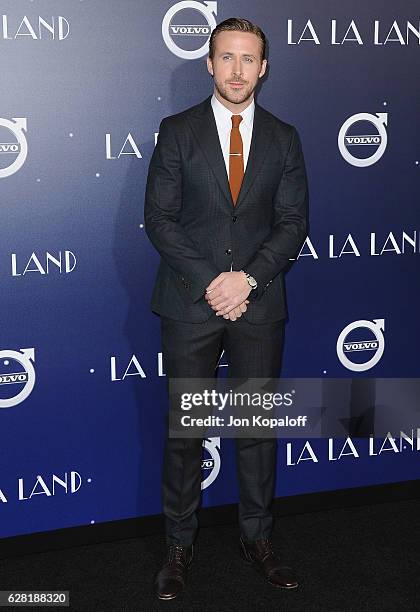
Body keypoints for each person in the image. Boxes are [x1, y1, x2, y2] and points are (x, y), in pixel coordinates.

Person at [144, 17, 308, 601]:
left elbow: (293, 223)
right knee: (186, 433)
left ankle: (257, 538)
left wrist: (249, 280)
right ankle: (178, 546)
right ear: (209, 64)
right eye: (226, 58)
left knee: (257, 429)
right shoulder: (177, 130)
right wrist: (215, 281)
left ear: (263, 68)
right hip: (191, 302)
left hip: (259, 305)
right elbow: (159, 219)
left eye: (248, 60)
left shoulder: (284, 137)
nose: (237, 70)